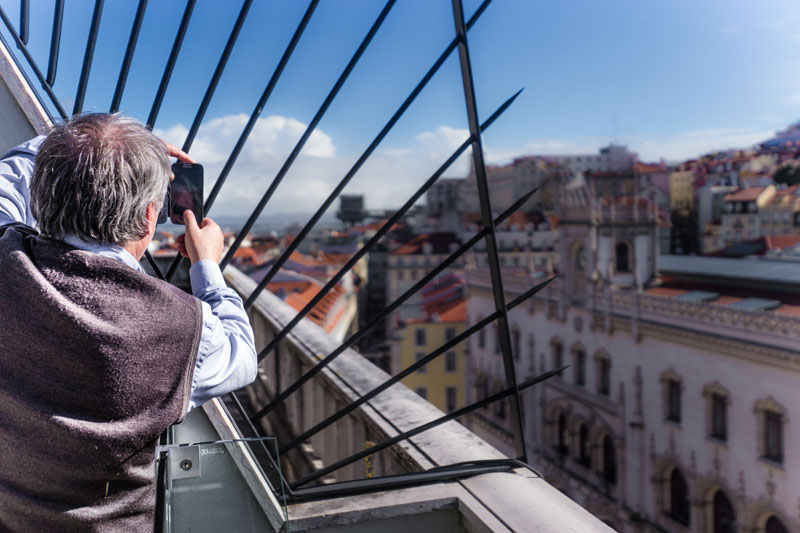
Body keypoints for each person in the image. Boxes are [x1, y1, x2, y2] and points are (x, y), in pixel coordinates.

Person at [0, 113, 258, 530]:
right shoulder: (182, 328)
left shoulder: (5, 256)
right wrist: (207, 266)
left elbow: (9, 177)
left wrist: (89, 142)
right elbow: (242, 357)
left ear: (40, 196)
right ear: (146, 217)